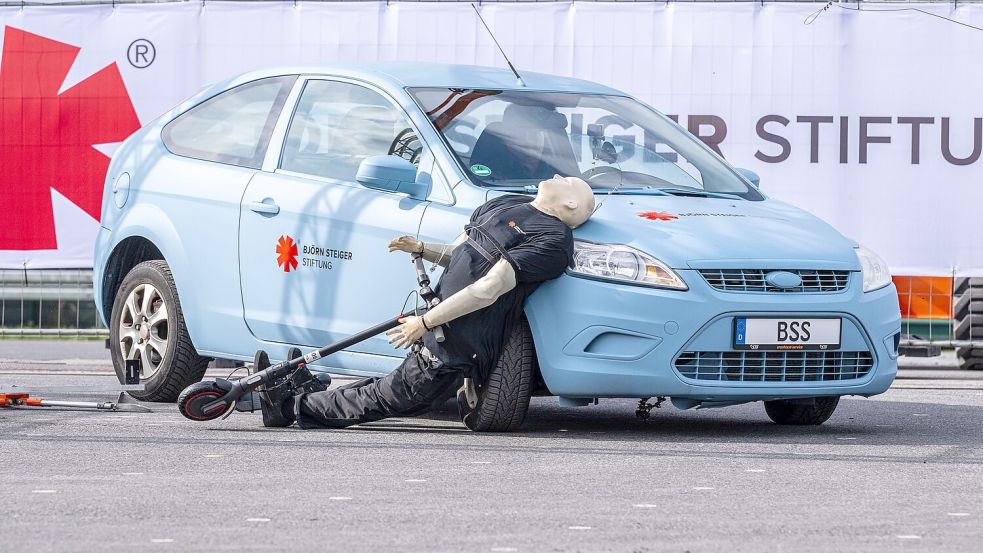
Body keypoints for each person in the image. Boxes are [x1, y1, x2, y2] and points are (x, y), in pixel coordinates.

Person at [259, 175, 595, 429]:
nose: (557, 177)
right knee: (388, 388)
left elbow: (489, 288)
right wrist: (423, 249)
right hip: (437, 320)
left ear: (571, 206)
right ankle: (291, 394)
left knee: (392, 396)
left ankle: (289, 407)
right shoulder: (506, 204)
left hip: (458, 341)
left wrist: (425, 322)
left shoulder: (554, 240)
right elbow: (467, 255)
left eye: (567, 182)